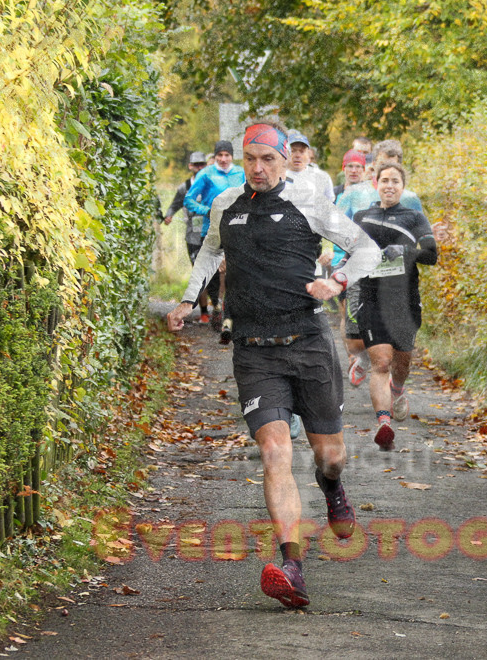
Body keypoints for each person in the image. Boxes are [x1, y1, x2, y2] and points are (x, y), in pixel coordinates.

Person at [167, 121, 381, 608]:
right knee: (275, 453)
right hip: (255, 349)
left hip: (308, 343)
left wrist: (339, 279)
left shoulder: (309, 203)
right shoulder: (227, 206)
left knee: (330, 456)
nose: (258, 168)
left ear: (285, 160)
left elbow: (368, 247)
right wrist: (186, 300)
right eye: (251, 159)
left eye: (268, 159)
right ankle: (292, 565)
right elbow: (208, 254)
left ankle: (333, 489)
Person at [353, 162, 437, 451]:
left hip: (404, 301)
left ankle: (398, 390)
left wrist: (404, 251)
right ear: (375, 183)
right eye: (384, 180)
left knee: (401, 363)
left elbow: (432, 255)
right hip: (371, 297)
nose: (389, 186)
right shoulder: (362, 217)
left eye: (395, 182)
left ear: (403, 187)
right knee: (381, 363)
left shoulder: (414, 218)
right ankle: (384, 422)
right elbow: (349, 251)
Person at [331, 149, 372, 386]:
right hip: (341, 258)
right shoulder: (339, 194)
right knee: (347, 309)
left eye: (358, 167)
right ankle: (353, 356)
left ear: (364, 170)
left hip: (365, 258)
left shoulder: (369, 194)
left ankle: (363, 352)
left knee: (364, 308)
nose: (354, 171)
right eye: (350, 167)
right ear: (343, 169)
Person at [163, 151, 211, 312]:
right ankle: (204, 312)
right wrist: (169, 215)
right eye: (196, 165)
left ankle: (218, 308)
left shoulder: (211, 183)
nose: (199, 168)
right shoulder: (184, 187)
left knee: (218, 274)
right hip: (192, 236)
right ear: (190, 166)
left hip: (212, 234)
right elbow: (175, 203)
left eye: (201, 164)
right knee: (199, 274)